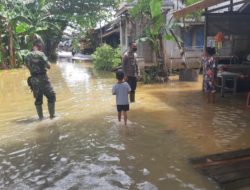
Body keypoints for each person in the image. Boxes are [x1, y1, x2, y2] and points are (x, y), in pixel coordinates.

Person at [25, 39, 56, 120]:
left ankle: (40, 118)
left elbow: (28, 67)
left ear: (33, 47)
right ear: (39, 47)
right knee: (51, 95)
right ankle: (52, 116)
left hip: (33, 80)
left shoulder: (27, 56)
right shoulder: (41, 54)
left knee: (38, 99)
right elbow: (48, 66)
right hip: (43, 79)